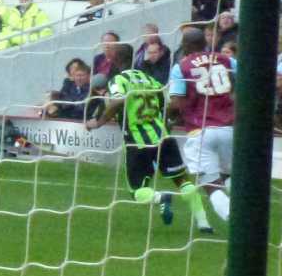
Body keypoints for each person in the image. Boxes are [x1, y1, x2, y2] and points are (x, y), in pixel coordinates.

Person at [86, 43, 212, 232]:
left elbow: (119, 100)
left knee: (137, 191)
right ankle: (204, 224)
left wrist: (99, 122)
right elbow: (171, 105)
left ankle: (161, 197)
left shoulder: (117, 80)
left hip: (138, 142)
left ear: (114, 59)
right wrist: (166, 121)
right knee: (182, 180)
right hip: (163, 137)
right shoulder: (150, 79)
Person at [168, 24, 234, 223]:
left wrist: (170, 115)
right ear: (205, 43)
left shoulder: (181, 66)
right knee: (227, 174)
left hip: (201, 131)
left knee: (210, 184)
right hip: (230, 128)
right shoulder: (227, 60)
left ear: (186, 45)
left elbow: (176, 103)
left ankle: (235, 218)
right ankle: (248, 205)